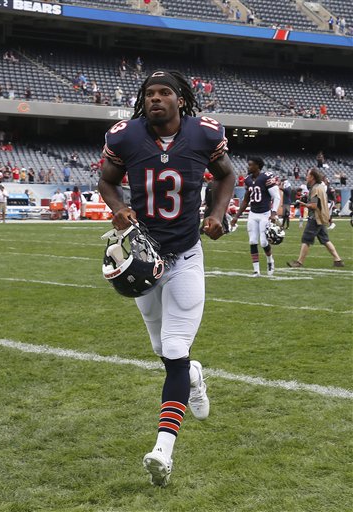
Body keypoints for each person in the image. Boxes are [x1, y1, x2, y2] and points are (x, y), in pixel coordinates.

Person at [98, 69, 235, 487]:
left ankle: (163, 449)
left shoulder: (205, 135)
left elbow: (227, 176)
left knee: (174, 346)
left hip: (186, 256)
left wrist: (216, 214)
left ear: (180, 100)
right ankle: (192, 375)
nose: (155, 98)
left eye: (164, 93)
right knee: (165, 350)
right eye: (149, 93)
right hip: (145, 255)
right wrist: (118, 208)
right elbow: (106, 180)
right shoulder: (125, 136)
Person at [231, 156, 280, 276]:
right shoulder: (248, 180)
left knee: (263, 242)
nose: (248, 167)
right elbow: (246, 200)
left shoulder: (266, 178)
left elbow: (276, 196)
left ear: (257, 166)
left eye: (251, 165)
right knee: (252, 241)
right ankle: (256, 270)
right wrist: (236, 216)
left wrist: (273, 213)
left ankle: (270, 260)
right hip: (253, 213)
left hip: (265, 214)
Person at [287, 168, 344, 268]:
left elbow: (313, 206)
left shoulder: (315, 189)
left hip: (315, 218)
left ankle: (299, 262)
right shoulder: (321, 187)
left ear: (312, 177)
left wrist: (302, 203)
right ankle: (338, 260)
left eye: (308, 175)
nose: (306, 176)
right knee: (325, 240)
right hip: (321, 217)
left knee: (306, 239)